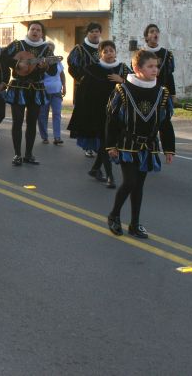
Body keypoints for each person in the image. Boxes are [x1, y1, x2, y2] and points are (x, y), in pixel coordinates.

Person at [106, 49, 175, 239]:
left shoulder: (162, 93)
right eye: (150, 66)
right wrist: (111, 145)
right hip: (127, 144)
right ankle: (114, 215)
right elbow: (112, 120)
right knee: (130, 181)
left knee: (139, 185)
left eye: (157, 66)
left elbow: (165, 123)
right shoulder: (123, 90)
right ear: (137, 68)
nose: (155, 70)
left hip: (149, 145)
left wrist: (169, 148)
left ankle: (135, 224)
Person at [67, 40, 129, 188]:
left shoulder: (123, 69)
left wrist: (122, 80)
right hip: (98, 114)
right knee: (106, 142)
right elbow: (84, 92)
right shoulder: (92, 69)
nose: (109, 53)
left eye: (111, 50)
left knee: (109, 143)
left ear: (115, 52)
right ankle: (110, 177)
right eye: (105, 51)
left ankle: (95, 169)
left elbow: (134, 87)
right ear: (100, 54)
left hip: (118, 114)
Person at [0, 21, 58, 166]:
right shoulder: (18, 45)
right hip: (19, 86)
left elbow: (54, 70)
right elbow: (3, 57)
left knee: (32, 122)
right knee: (17, 121)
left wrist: (45, 67)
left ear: (42, 33)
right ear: (28, 31)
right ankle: (17, 155)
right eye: (32, 29)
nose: (35, 31)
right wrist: (17, 64)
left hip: (37, 88)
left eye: (38, 30)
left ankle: (29, 154)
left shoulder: (46, 49)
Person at [68, 23, 102, 158]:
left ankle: (100, 145)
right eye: (92, 31)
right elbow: (71, 66)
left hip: (102, 89)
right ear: (87, 33)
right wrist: (82, 78)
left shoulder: (104, 48)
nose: (95, 34)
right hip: (86, 89)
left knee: (100, 118)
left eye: (97, 31)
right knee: (88, 118)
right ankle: (88, 146)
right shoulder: (80, 49)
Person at [37, 41, 66, 146]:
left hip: (56, 91)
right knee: (42, 115)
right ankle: (44, 137)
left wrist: (64, 86)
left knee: (57, 114)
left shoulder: (57, 61)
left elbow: (62, 74)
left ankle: (57, 137)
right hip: (43, 91)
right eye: (47, 48)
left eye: (51, 48)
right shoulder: (40, 61)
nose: (49, 50)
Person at [142, 23, 177, 103]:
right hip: (144, 91)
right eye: (152, 31)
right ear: (146, 37)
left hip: (162, 92)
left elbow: (169, 76)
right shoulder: (141, 54)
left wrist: (173, 94)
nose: (155, 33)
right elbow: (135, 73)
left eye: (157, 31)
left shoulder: (167, 54)